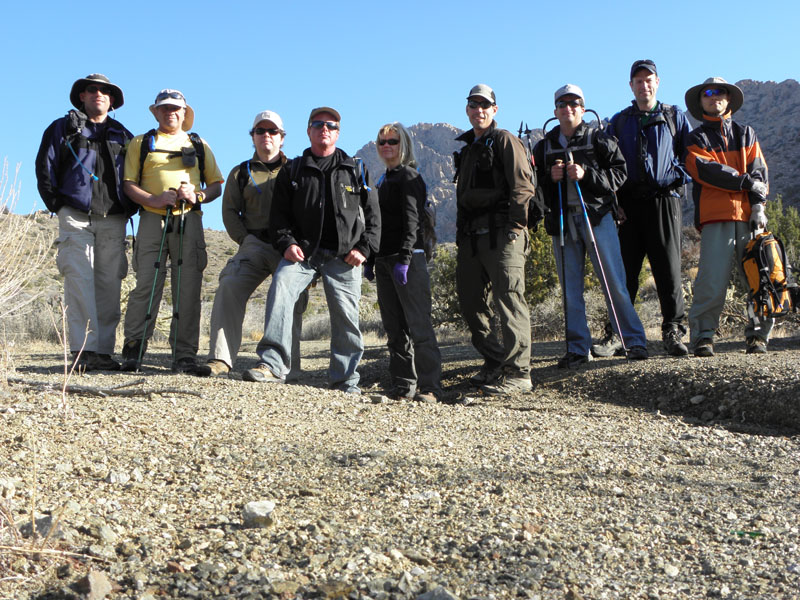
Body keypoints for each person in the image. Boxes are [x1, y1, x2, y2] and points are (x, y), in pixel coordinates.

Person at [243, 107, 381, 395]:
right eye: (317, 124)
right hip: (303, 253)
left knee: (346, 313)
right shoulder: (293, 170)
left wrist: (364, 248)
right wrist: (287, 243)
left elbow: (373, 214)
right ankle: (272, 365)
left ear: (338, 132)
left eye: (330, 125)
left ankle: (345, 380)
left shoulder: (354, 168)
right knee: (281, 287)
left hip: (344, 255)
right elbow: (278, 218)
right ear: (308, 131)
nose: (324, 129)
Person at [533, 84, 649, 368]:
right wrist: (551, 177)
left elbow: (619, 174)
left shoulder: (600, 138)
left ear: (582, 109)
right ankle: (577, 348)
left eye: (574, 104)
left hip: (597, 218)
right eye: (562, 104)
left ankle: (632, 341)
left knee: (614, 283)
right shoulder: (544, 145)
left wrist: (586, 175)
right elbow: (536, 186)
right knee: (569, 289)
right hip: (562, 222)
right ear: (555, 110)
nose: (568, 108)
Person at [593, 59, 692, 358]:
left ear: (657, 82)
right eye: (638, 80)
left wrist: (674, 176)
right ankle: (617, 333)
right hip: (628, 205)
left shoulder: (675, 116)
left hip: (665, 200)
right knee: (624, 271)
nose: (644, 85)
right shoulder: (619, 121)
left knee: (668, 270)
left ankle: (672, 331)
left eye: (649, 79)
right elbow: (607, 164)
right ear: (631, 85)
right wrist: (615, 202)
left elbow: (690, 156)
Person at [119, 89, 224, 374]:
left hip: (189, 220)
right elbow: (128, 183)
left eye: (176, 108)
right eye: (165, 108)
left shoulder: (198, 144)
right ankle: (134, 349)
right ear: (156, 112)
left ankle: (185, 355)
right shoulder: (141, 143)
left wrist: (197, 195)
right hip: (152, 220)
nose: (171, 113)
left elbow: (216, 185)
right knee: (146, 286)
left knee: (187, 287)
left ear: (184, 112)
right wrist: (153, 199)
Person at [35, 74, 134, 372]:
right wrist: (57, 204)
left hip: (114, 218)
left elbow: (134, 175)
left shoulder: (124, 135)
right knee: (79, 281)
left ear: (112, 100)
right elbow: (45, 166)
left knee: (109, 284)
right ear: (81, 96)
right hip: (75, 216)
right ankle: (83, 351)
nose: (98, 94)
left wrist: (130, 208)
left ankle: (103, 351)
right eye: (92, 89)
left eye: (105, 91)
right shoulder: (62, 128)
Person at [204, 111, 308, 378]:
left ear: (282, 138)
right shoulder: (241, 172)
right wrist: (245, 239)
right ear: (253, 137)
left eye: (272, 132)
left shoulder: (297, 169)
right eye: (260, 131)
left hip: (290, 248)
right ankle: (220, 360)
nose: (266, 136)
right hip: (255, 244)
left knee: (292, 299)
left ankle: (286, 367)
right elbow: (229, 212)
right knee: (229, 285)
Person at [453, 84, 534, 396]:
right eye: (474, 105)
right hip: (472, 240)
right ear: (467, 109)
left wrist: (515, 228)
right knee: (472, 304)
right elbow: (461, 198)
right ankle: (495, 361)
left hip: (504, 235)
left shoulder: (504, 140)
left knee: (510, 300)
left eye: (485, 105)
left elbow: (523, 186)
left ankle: (519, 373)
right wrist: (461, 237)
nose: (479, 110)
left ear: (494, 109)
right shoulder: (468, 149)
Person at [683, 77, 771, 356]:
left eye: (720, 92)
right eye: (707, 93)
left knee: (758, 277)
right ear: (701, 102)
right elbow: (705, 169)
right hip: (715, 217)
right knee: (711, 280)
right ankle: (703, 337)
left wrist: (759, 206)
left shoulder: (747, 134)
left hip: (749, 217)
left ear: (728, 99)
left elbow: (761, 173)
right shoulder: (695, 139)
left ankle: (758, 337)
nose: (714, 97)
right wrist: (745, 183)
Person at [367, 122, 442, 402]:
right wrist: (371, 259)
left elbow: (413, 221)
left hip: (407, 260)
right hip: (385, 261)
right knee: (394, 328)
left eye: (393, 141)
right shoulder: (383, 180)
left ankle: (431, 387)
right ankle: (402, 385)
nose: (387, 146)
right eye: (382, 141)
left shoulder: (409, 177)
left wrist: (406, 258)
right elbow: (377, 225)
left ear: (404, 145)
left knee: (419, 325)